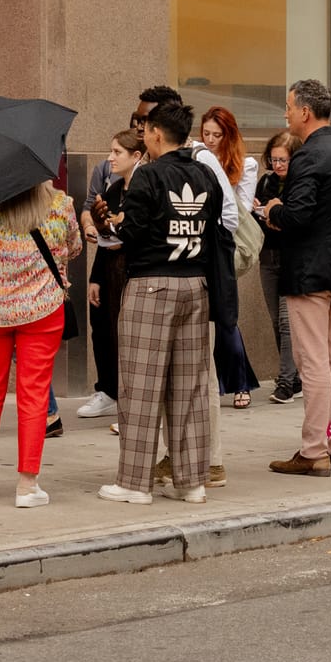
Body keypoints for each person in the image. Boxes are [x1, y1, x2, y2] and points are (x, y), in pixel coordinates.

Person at [100, 101, 223, 504]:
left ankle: (134, 483)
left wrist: (112, 222)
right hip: (196, 283)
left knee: (140, 385)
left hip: (151, 284)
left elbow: (132, 234)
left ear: (155, 133)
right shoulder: (205, 175)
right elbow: (215, 225)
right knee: (190, 388)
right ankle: (192, 482)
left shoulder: (149, 176)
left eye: (146, 132)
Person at [262, 78, 331, 477]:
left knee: (313, 362)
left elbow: (299, 214)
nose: (286, 114)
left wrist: (273, 209)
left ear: (305, 112)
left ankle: (314, 450)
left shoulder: (309, 156)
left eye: (289, 107)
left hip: (311, 270)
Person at [0, 180, 82, 508]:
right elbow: (75, 247)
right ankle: (27, 485)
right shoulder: (61, 204)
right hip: (42, 309)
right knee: (34, 394)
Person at [198, 106, 261, 407]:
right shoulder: (197, 158)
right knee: (213, 316)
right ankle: (234, 381)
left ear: (229, 135)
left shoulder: (245, 164)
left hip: (226, 245)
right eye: (206, 134)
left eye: (217, 135)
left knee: (226, 316)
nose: (210, 140)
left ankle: (240, 383)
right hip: (200, 244)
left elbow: (242, 209)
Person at [79, 129, 142, 418]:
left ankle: (132, 402)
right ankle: (109, 391)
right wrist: (95, 277)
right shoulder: (114, 191)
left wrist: (115, 233)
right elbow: (107, 239)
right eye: (111, 151)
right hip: (110, 271)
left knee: (131, 338)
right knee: (105, 331)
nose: (110, 158)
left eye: (117, 152)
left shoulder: (144, 188)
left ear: (136, 156)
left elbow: (131, 235)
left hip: (135, 272)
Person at [255, 131, 299, 402]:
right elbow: (261, 214)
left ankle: (285, 383)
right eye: (274, 160)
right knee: (275, 320)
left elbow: (294, 218)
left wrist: (276, 213)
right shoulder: (266, 181)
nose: (278, 165)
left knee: (286, 322)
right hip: (268, 255)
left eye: (283, 160)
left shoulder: (300, 183)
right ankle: (295, 377)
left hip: (291, 256)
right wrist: (259, 210)